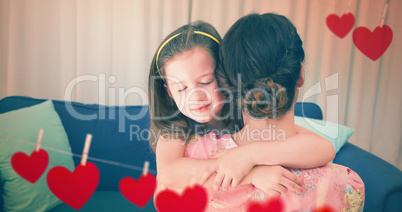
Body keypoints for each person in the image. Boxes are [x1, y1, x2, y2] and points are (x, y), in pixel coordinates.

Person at [147, 20, 342, 211]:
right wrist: (250, 173)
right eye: (181, 88)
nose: (195, 97)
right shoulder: (173, 125)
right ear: (169, 92)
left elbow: (324, 148)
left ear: (225, 76)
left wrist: (249, 154)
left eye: (206, 82)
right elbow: (168, 171)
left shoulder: (246, 112)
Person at [198, 13, 364, 211]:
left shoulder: (199, 163)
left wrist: (251, 153)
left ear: (227, 85)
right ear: (300, 75)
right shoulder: (348, 186)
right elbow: (326, 148)